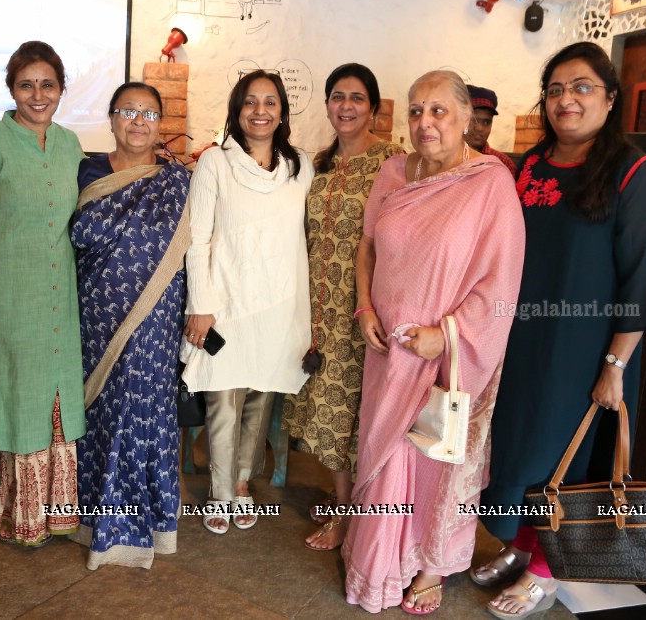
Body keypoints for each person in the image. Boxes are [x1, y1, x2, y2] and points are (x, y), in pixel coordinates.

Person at [475, 42, 646, 619]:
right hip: (522, 340)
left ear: (610, 99)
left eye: (582, 87)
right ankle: (522, 546)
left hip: (585, 354)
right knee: (516, 452)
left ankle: (545, 571)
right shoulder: (529, 167)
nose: (567, 100)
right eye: (556, 89)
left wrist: (615, 366)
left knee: (561, 458)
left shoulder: (635, 173)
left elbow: (642, 281)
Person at [341, 70, 525, 614]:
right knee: (383, 455)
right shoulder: (394, 172)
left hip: (446, 359)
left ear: (468, 118)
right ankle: (377, 561)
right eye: (416, 111)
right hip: (388, 351)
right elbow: (367, 248)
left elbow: (502, 283)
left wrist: (445, 338)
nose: (425, 122)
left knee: (430, 461)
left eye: (439, 111)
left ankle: (427, 566)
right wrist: (365, 306)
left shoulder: (490, 185)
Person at [0, 41, 86, 547]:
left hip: (59, 296)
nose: (37, 94)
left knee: (55, 391)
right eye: (26, 84)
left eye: (47, 84)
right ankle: (12, 512)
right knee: (15, 393)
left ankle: (54, 512)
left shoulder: (71, 145)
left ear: (61, 89)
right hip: (5, 295)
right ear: (11, 89)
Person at [183, 69, 313, 535]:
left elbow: (303, 239)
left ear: (282, 110)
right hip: (226, 301)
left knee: (262, 396)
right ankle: (219, 492)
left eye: (270, 102)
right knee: (224, 398)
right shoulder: (215, 163)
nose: (261, 111)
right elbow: (197, 240)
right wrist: (201, 303)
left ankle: (241, 483)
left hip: (280, 302)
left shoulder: (300, 165)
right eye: (250, 102)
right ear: (237, 111)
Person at [281, 63, 403, 551]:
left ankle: (358, 516)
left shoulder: (393, 162)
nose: (346, 106)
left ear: (373, 107)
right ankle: (343, 504)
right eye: (337, 97)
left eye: (356, 97)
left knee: (360, 413)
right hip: (316, 309)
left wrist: (374, 301)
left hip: (366, 308)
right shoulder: (319, 163)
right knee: (327, 412)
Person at [69, 82, 190, 569]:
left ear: (161, 124)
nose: (138, 121)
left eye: (148, 113)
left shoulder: (178, 182)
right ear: (112, 118)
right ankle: (86, 520)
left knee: (141, 413)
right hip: (92, 315)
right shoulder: (83, 173)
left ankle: (143, 530)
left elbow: (195, 251)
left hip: (155, 321)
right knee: (97, 414)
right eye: (128, 111)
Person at [466, 84, 518, 175]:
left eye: (486, 122)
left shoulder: (504, 163)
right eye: (473, 120)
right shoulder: (445, 159)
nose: (479, 128)